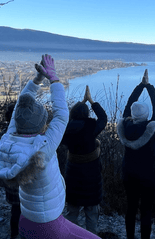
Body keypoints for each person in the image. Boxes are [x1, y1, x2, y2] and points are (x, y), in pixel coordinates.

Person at [0, 54, 100, 239]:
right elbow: (61, 115)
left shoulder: (8, 140)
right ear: (42, 124)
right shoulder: (42, 149)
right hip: (49, 224)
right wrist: (53, 78)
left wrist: (37, 79)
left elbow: (20, 106)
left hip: (26, 220)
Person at [117, 69, 155, 239]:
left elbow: (129, 104)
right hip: (149, 176)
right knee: (146, 211)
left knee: (130, 208)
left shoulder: (125, 127)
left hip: (129, 174)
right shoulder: (151, 128)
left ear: (132, 115)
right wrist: (147, 86)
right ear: (146, 116)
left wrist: (139, 87)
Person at [61, 85, 108, 234]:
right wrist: (91, 101)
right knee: (92, 215)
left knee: (72, 213)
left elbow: (73, 122)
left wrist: (81, 105)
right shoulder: (90, 127)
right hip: (91, 179)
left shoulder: (65, 129)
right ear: (86, 114)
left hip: (72, 176)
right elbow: (103, 118)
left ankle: (69, 236)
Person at [1, 102, 21, 239]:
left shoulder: (5, 135)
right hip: (22, 182)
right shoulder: (23, 136)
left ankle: (14, 234)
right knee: (23, 211)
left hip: (10, 180)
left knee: (16, 210)